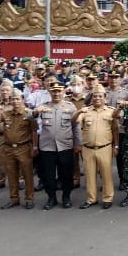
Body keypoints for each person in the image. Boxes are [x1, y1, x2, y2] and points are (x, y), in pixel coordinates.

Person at [32, 81, 81, 210]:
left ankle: (66, 197)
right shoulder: (42, 106)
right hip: (47, 147)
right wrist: (35, 113)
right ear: (49, 92)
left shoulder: (70, 107)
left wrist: (78, 143)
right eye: (54, 91)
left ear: (63, 91)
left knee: (66, 173)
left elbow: (76, 126)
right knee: (48, 174)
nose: (57, 93)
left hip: (65, 145)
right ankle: (51, 197)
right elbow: (32, 123)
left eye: (59, 91)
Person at [73, 84, 119, 209]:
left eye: (100, 96)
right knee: (89, 175)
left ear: (105, 97)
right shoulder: (85, 111)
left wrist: (116, 146)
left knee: (106, 174)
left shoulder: (111, 111)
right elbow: (74, 121)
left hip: (105, 147)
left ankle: (107, 198)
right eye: (94, 96)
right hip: (88, 148)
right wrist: (78, 112)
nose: (97, 98)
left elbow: (115, 129)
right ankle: (91, 199)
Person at [0, 89, 38, 209]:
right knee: (11, 174)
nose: (15, 101)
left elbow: (34, 131)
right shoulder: (5, 113)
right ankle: (14, 199)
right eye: (13, 99)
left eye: (17, 99)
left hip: (24, 147)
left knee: (27, 175)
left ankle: (29, 198)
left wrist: (34, 146)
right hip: (8, 148)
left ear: (22, 99)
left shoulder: (29, 113)